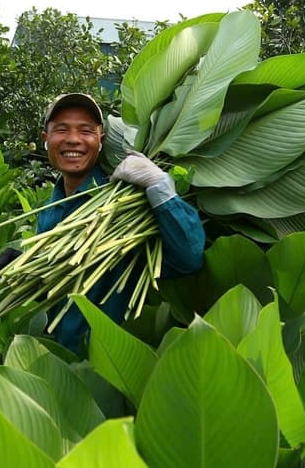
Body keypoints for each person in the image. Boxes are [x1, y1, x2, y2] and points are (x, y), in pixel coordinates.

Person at [20, 92, 205, 351]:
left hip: (112, 366)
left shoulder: (130, 208)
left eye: (85, 131)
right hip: (58, 364)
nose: (73, 139)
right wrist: (25, 268)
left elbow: (189, 259)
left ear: (101, 140)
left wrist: (161, 188)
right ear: (46, 139)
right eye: (61, 130)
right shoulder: (50, 209)